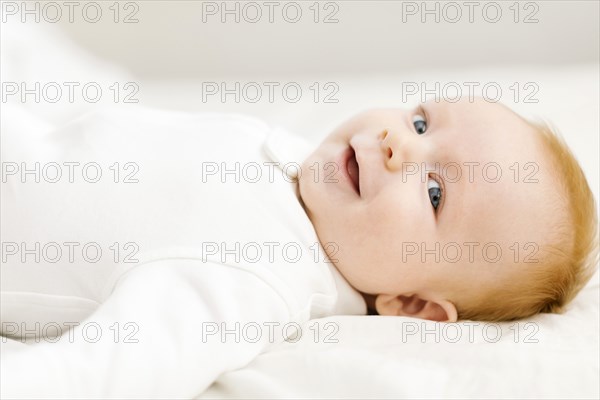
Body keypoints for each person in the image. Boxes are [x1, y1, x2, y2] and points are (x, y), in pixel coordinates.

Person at [1, 98, 597, 398]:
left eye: (436, 192)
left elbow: (100, 376)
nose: (397, 145)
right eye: (421, 123)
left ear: (412, 305)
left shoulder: (258, 279)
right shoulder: (301, 169)